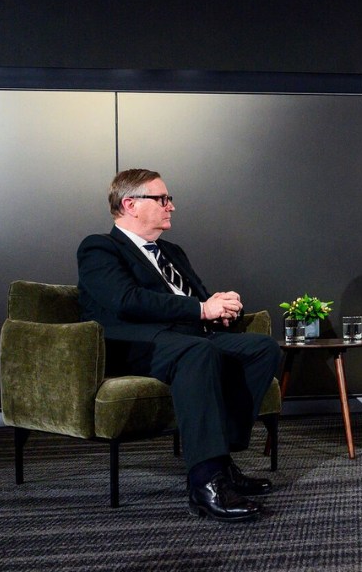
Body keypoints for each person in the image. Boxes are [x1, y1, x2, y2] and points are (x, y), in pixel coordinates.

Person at [77, 169, 281, 521]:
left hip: (189, 338)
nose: (171, 206)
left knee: (263, 348)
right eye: (162, 199)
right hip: (139, 344)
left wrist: (222, 308)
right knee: (199, 352)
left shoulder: (172, 252)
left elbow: (199, 298)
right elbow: (127, 301)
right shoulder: (100, 248)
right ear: (130, 204)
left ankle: (222, 462)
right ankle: (205, 484)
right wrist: (201, 309)